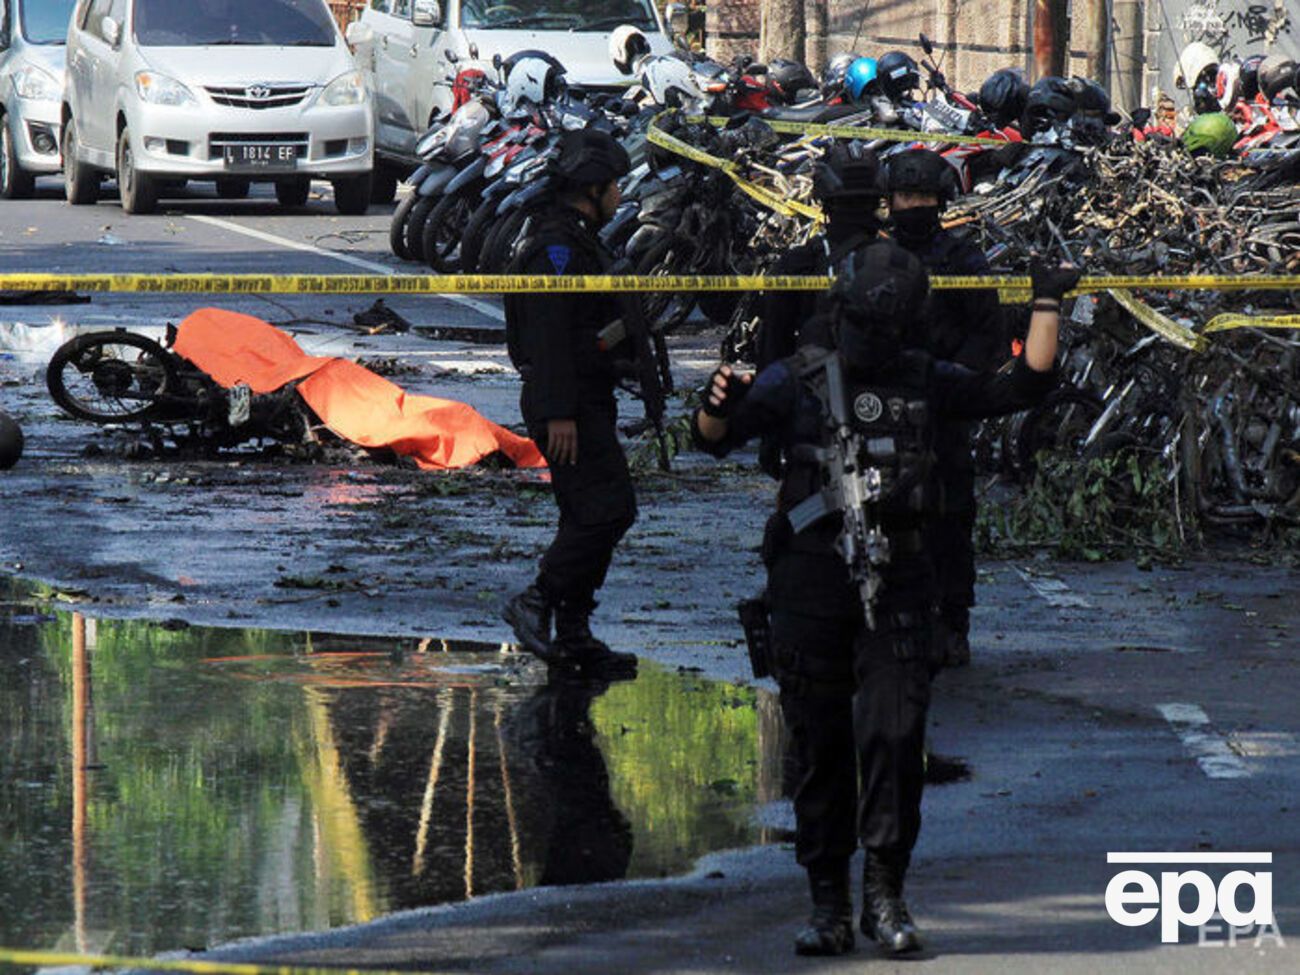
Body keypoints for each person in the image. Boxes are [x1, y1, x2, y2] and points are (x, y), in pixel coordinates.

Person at [692, 240, 1078, 957]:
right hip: (811, 576)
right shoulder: (798, 380)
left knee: (896, 737)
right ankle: (829, 901)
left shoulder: (924, 378)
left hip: (899, 575)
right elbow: (712, 438)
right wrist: (718, 401)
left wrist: (1048, 300)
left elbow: (1019, 388)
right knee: (820, 742)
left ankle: (885, 893)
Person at [500, 129, 639, 676]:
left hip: (585, 395)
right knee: (609, 509)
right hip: (567, 403)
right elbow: (550, 330)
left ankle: (575, 632)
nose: (620, 196)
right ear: (593, 187)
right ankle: (537, 600)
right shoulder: (556, 247)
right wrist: (560, 411)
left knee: (585, 513)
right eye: (615, 186)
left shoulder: (577, 238)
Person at [884, 148, 1005, 667]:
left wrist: (954, 384)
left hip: (945, 405)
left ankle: (954, 620)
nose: (914, 206)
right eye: (906, 196)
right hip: (885, 405)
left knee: (951, 516)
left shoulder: (962, 259)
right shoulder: (871, 257)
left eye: (924, 198)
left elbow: (989, 333)